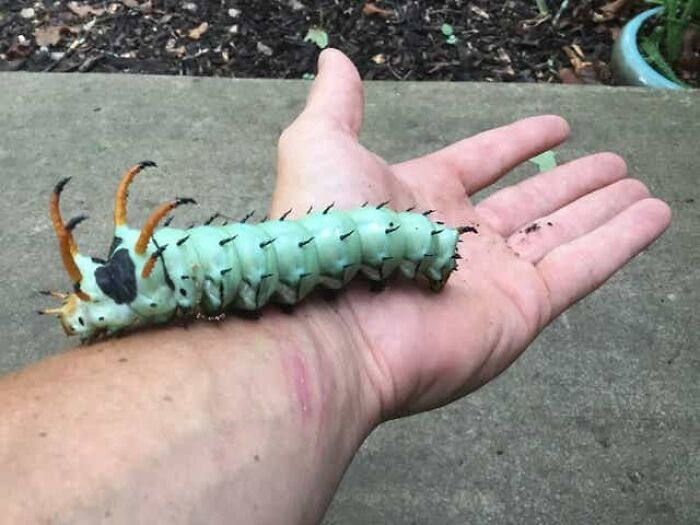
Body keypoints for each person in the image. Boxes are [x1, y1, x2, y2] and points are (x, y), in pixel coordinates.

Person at [0, 49, 670, 523]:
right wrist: (335, 351)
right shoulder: (185, 274)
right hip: (224, 264)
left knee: (276, 252)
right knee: (247, 256)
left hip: (294, 254)